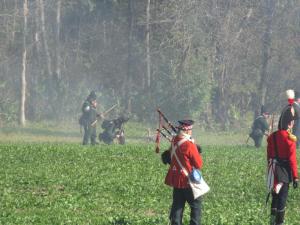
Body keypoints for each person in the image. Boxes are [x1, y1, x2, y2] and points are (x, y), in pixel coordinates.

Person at [164, 119, 203, 225]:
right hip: (188, 180)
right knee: (196, 206)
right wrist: (196, 148)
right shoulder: (189, 145)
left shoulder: (174, 142)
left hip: (176, 181)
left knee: (177, 206)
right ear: (188, 131)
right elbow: (198, 164)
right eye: (190, 130)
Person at [267, 104, 298, 225]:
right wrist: (295, 177)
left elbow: (269, 156)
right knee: (282, 199)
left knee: (274, 197)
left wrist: (269, 170)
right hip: (284, 172)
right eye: (293, 122)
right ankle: (279, 223)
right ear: (289, 123)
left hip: (273, 170)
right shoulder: (290, 139)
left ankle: (272, 222)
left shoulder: (272, 137)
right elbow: (292, 160)